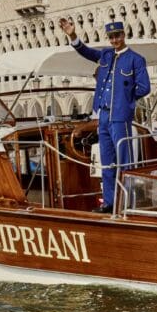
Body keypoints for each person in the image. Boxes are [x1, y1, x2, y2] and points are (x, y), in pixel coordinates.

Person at [59, 16, 150, 213]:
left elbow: (144, 87)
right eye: (111, 37)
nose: (115, 40)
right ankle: (109, 203)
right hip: (103, 116)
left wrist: (125, 99)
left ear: (124, 35)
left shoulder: (135, 59)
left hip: (120, 116)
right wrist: (72, 35)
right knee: (107, 162)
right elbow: (85, 51)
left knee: (125, 161)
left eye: (117, 36)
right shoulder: (107, 55)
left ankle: (126, 203)